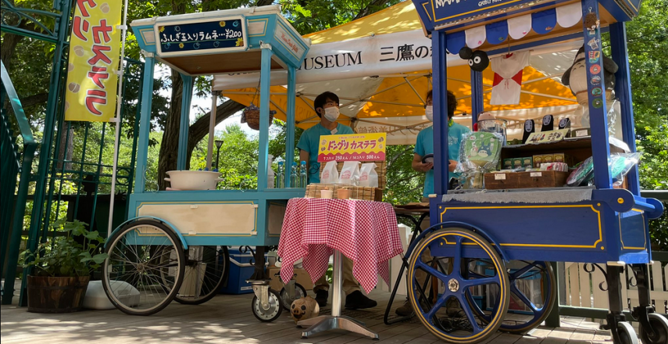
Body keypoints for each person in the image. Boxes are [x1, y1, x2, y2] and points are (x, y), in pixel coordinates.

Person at [296, 91, 377, 310]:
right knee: (318, 240)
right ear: (320, 110)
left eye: (336, 104)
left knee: (347, 238)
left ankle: (352, 291)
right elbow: (302, 164)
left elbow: (357, 161)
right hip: (316, 193)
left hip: (344, 192)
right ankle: (319, 288)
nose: (335, 108)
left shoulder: (347, 131)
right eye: (330, 104)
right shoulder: (309, 134)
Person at [395, 89, 470, 316]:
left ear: (446, 105)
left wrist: (455, 165)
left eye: (432, 102)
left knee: (457, 248)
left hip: (458, 196)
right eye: (426, 103)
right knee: (422, 248)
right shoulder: (423, 134)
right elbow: (415, 162)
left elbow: (473, 166)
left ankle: (455, 301)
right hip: (429, 198)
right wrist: (422, 166)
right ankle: (415, 299)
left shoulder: (464, 131)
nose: (428, 107)